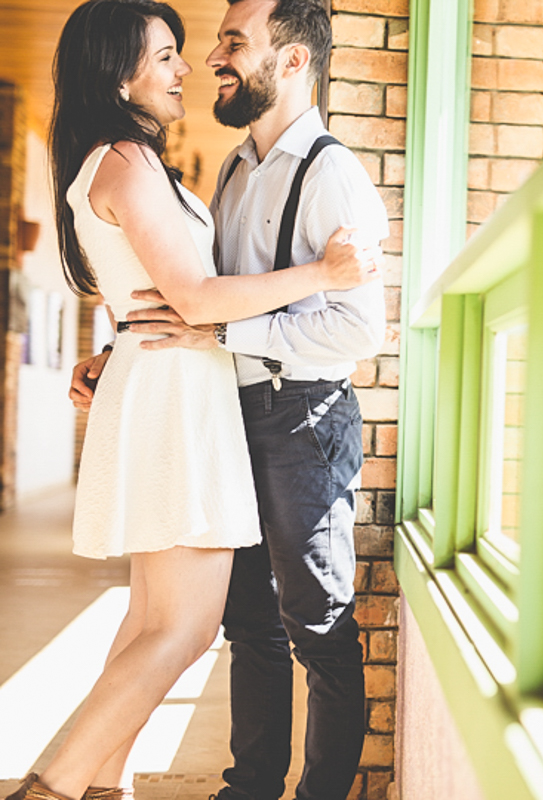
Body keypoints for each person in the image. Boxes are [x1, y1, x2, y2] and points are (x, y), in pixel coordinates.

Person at [6, 1, 381, 800]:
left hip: (243, 402)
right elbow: (196, 297)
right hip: (191, 399)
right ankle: (65, 785)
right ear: (119, 73)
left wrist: (124, 348)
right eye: (170, 53)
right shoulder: (152, 165)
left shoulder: (310, 170)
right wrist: (321, 274)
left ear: (290, 63)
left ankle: (103, 785)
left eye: (217, 45)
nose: (193, 64)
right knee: (192, 627)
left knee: (196, 623)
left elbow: (182, 300)